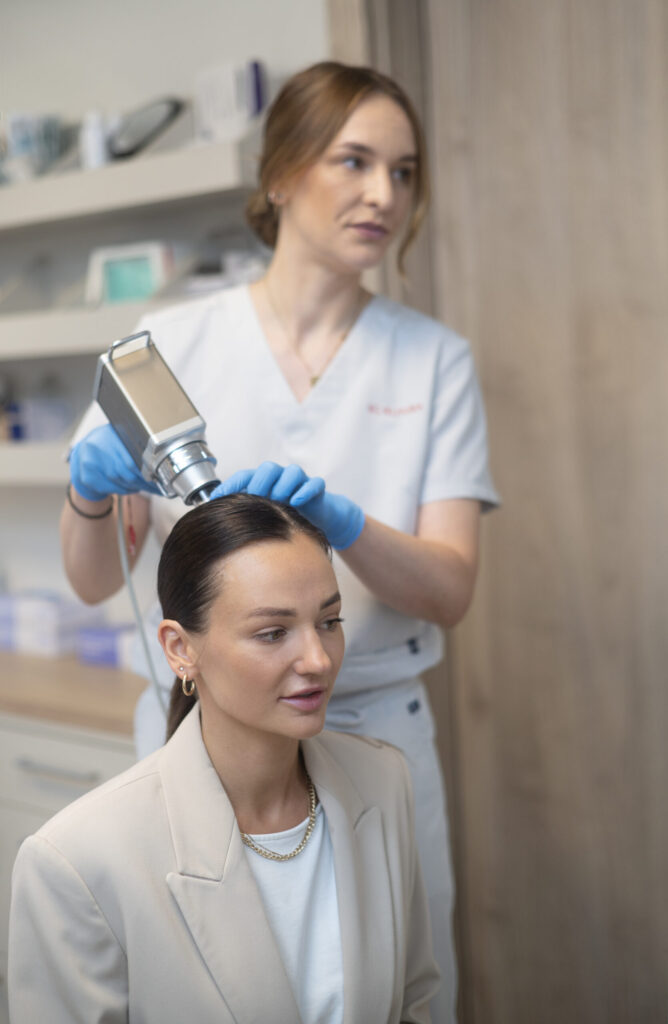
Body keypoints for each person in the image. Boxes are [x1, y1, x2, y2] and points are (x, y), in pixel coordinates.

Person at [60, 61, 499, 1022]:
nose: (384, 194)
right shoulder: (174, 343)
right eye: (355, 161)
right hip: (204, 736)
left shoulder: (434, 359)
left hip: (376, 728)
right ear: (281, 174)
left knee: (394, 988)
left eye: (405, 172)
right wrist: (88, 493)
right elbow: (95, 582)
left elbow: (451, 589)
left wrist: (348, 525)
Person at [10, 494, 440, 1023]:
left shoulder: (383, 782)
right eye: (272, 633)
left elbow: (413, 1003)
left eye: (330, 621)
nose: (318, 659)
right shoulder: (76, 861)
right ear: (179, 649)